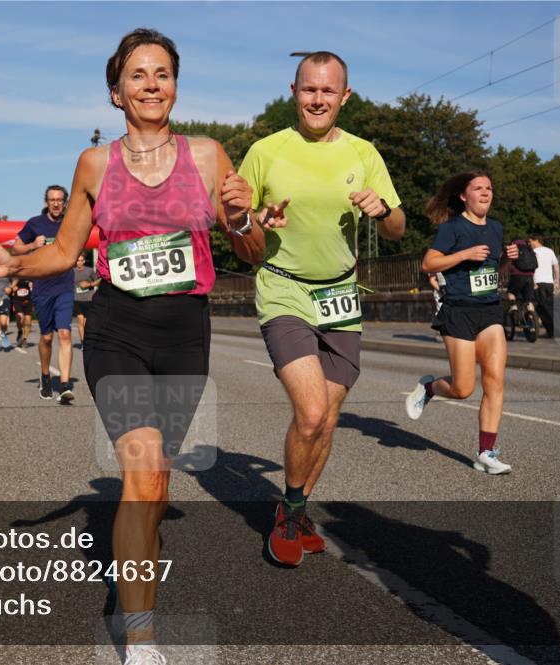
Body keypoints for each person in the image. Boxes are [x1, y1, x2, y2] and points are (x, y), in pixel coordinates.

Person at [0, 29, 268, 664]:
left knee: (157, 484)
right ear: (116, 93)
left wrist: (241, 218)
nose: (151, 84)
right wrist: (10, 265)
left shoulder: (211, 156)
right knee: (143, 467)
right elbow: (62, 252)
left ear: (176, 86)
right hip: (116, 330)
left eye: (162, 73)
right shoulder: (95, 165)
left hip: (186, 332)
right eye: (138, 75)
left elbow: (251, 253)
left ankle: (137, 566)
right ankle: (141, 637)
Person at [239, 51, 405, 568]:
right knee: (310, 411)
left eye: (328, 91)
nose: (317, 99)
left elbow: (398, 228)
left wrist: (383, 211)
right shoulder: (266, 151)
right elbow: (236, 228)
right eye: (309, 89)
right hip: (284, 290)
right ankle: (288, 513)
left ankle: (298, 508)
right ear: (294, 90)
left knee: (327, 420)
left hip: (340, 296)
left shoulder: (364, 153)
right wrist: (257, 220)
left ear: (345, 97)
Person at [405, 172, 517, 475]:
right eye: (478, 188)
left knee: (495, 381)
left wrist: (506, 259)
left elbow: (492, 270)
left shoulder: (495, 228)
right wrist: (464, 253)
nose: (485, 192)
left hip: (490, 309)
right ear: (463, 197)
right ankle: (429, 388)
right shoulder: (451, 228)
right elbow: (429, 263)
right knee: (463, 388)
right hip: (458, 311)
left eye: (489, 188)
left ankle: (486, 452)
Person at [11, 186, 78, 402]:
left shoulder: (71, 223)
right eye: (52, 200)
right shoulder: (35, 223)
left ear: (65, 202)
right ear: (46, 202)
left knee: (65, 333)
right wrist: (32, 244)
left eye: (60, 200)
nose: (56, 203)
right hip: (42, 287)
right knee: (47, 337)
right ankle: (46, 376)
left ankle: (66, 385)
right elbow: (16, 249)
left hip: (65, 285)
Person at [530, 233, 559, 338]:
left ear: (536, 240)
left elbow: (531, 268)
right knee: (550, 306)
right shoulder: (549, 250)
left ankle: (553, 330)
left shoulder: (533, 252)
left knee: (542, 308)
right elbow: (556, 266)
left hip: (538, 282)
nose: (530, 244)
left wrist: (533, 282)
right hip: (549, 283)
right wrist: (557, 281)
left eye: (531, 241)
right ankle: (553, 331)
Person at [505, 236, 537, 332]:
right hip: (530, 277)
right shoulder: (529, 247)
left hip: (517, 275)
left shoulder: (513, 246)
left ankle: (513, 306)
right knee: (529, 300)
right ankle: (532, 321)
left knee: (510, 292)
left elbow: (508, 260)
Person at [73, 253, 100, 343]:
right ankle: (83, 342)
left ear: (84, 261)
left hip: (89, 299)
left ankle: (89, 339)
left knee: (86, 323)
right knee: (80, 322)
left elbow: (98, 280)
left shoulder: (89, 271)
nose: (79, 262)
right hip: (77, 300)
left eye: (81, 260)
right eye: (78, 260)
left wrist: (89, 284)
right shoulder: (72, 272)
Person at [11, 277, 33, 348]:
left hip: (28, 300)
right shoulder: (14, 275)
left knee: (28, 320)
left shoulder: (30, 275)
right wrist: (13, 287)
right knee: (19, 317)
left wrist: (32, 286)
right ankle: (20, 331)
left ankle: (24, 339)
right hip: (17, 300)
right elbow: (9, 288)